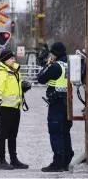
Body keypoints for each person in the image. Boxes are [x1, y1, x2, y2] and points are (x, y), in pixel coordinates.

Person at [0, 49, 31, 170]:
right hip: (5, 108)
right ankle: (2, 160)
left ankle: (14, 159)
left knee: (13, 135)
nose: (14, 60)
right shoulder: (0, 72)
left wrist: (23, 87)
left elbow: (16, 86)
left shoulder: (14, 71)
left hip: (15, 107)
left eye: (14, 58)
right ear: (4, 60)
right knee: (3, 134)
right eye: (11, 58)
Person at [37, 41, 74, 172]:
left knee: (55, 132)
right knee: (65, 131)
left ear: (55, 54)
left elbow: (41, 78)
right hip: (67, 102)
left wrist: (46, 64)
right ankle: (66, 160)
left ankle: (57, 162)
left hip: (56, 104)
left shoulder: (56, 66)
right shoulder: (69, 65)